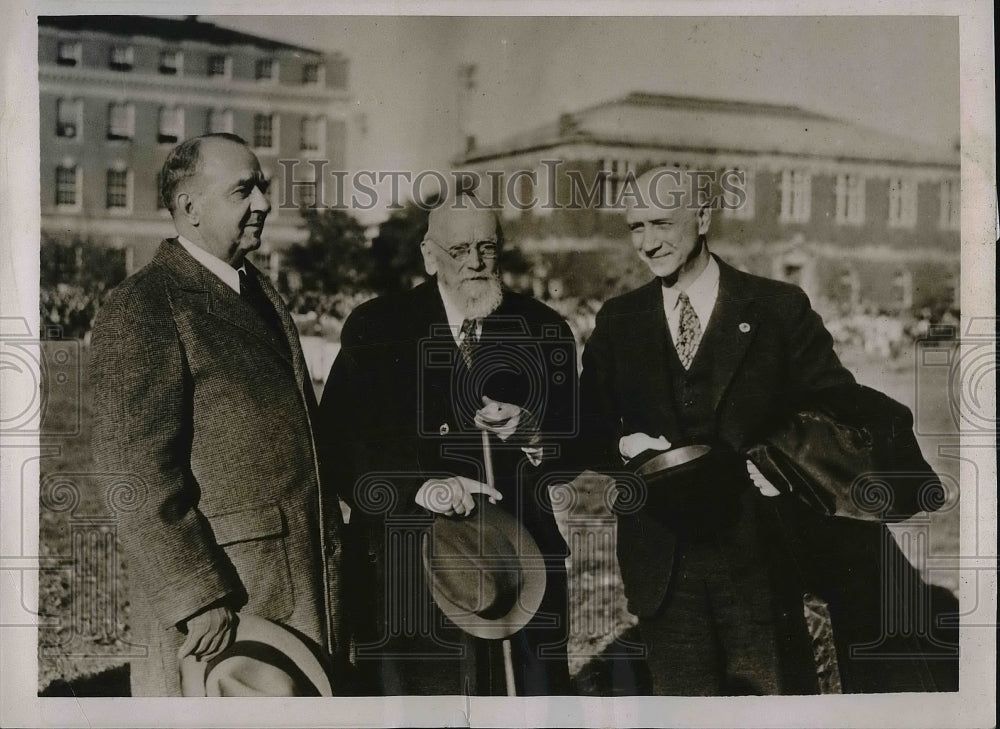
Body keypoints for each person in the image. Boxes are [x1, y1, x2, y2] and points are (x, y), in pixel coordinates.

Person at [577, 166, 861, 695]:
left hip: (759, 560)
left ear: (703, 217)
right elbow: (586, 424)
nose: (648, 242)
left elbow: (836, 408)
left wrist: (780, 464)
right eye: (636, 227)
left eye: (661, 223)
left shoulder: (778, 308)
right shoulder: (620, 320)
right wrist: (623, 444)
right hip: (662, 568)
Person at [90, 133, 345, 696]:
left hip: (285, 592)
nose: (263, 203)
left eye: (262, 187)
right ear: (190, 207)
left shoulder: (257, 292)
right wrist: (196, 595)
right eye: (243, 190)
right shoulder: (145, 304)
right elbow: (132, 473)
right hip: (220, 612)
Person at [320, 196, 576, 695]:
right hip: (409, 573)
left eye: (487, 247)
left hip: (516, 571)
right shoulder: (377, 327)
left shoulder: (545, 329)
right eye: (459, 249)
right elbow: (338, 447)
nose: (475, 262)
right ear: (429, 255)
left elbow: (575, 444)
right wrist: (419, 486)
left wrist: (536, 434)